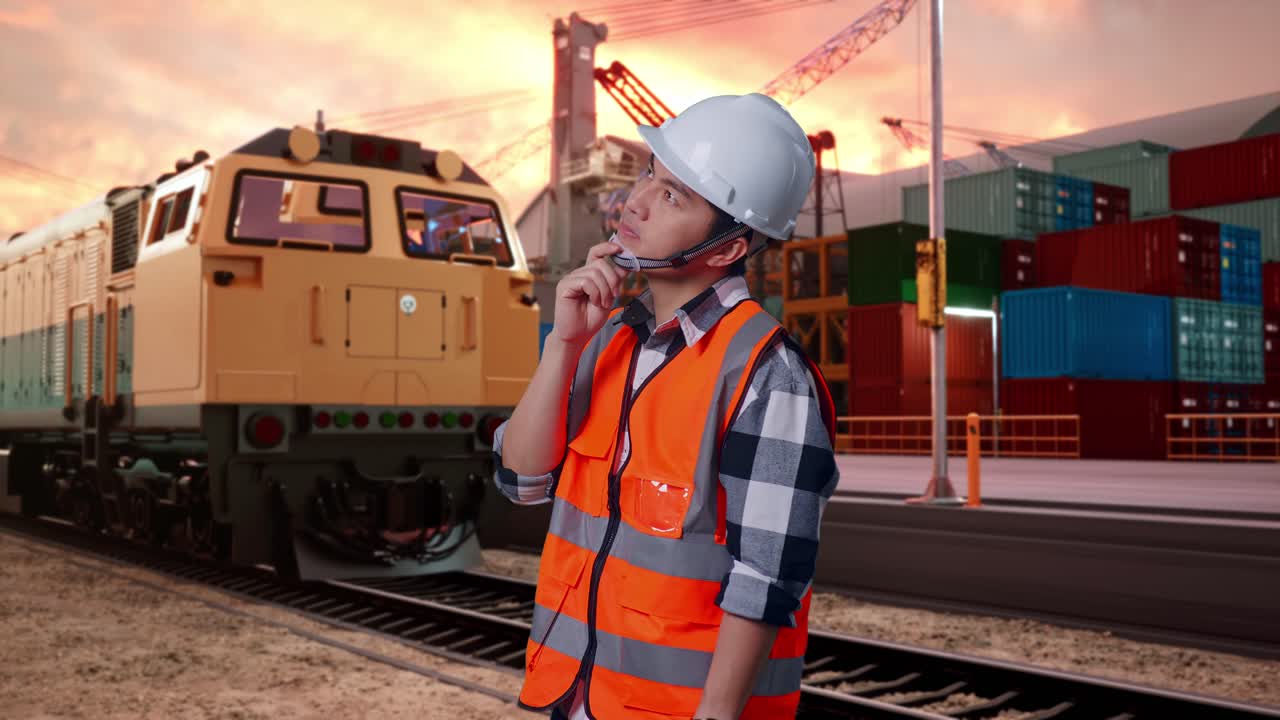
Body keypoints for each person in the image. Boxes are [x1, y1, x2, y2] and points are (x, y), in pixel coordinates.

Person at [491, 92, 839, 720]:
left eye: (674, 195)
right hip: (577, 697)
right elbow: (521, 480)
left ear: (729, 247)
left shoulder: (768, 374)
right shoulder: (608, 337)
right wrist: (564, 342)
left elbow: (767, 577)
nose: (636, 201)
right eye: (650, 172)